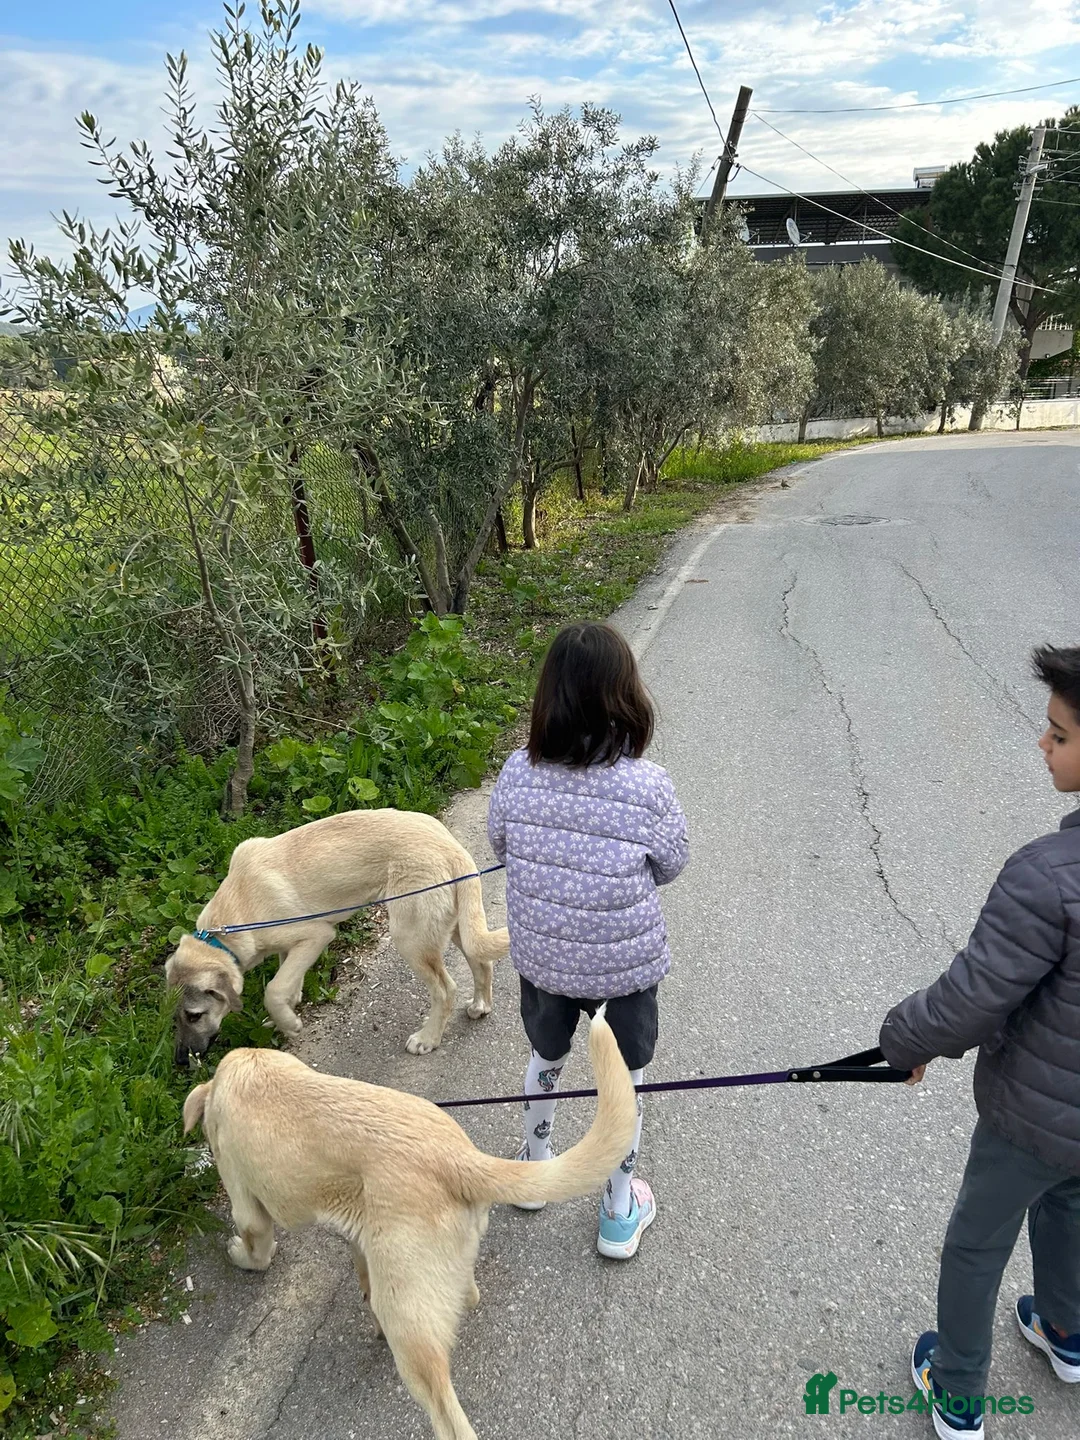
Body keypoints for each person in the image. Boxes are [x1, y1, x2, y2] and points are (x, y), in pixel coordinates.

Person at [878, 644, 1080, 1437]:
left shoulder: (1047, 876)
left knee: (976, 1243)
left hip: (1032, 1116)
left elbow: (972, 999)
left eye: (1059, 735)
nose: (1043, 744)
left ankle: (958, 1391)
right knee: (1070, 1207)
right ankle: (1067, 1330)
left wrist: (902, 1042)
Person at [487, 621, 689, 1259]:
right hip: (623, 970)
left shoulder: (517, 772)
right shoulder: (648, 785)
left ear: (548, 698)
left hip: (545, 963)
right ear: (626, 698)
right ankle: (619, 1211)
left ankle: (535, 1175)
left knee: (546, 1059)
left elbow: (500, 844)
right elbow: (671, 863)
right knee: (623, 1081)